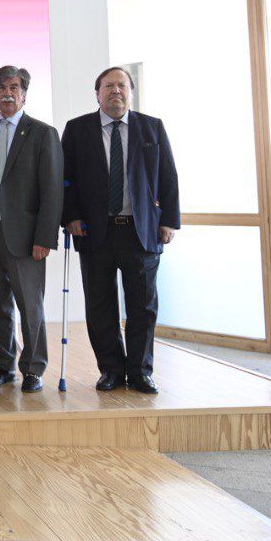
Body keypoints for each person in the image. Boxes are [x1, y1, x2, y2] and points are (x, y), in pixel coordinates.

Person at [62, 67, 180, 395]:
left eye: (122, 86)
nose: (116, 91)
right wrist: (69, 216)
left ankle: (141, 371)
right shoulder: (77, 129)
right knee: (101, 305)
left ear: (131, 92)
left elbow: (168, 177)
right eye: (109, 86)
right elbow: (65, 178)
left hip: (140, 232)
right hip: (94, 232)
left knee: (142, 306)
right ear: (97, 93)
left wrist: (169, 220)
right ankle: (111, 370)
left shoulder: (151, 128)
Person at [0, 66, 63, 394]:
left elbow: (52, 190)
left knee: (30, 305)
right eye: (1, 87)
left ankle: (34, 368)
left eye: (13, 87)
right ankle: (3, 365)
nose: (7, 93)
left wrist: (44, 238)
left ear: (24, 93)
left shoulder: (41, 133)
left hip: (26, 236)